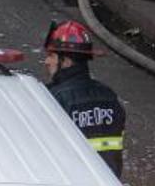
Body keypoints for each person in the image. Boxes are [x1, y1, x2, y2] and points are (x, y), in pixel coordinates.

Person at [44, 20, 126, 177]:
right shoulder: (110, 97)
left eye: (51, 56)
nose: (47, 61)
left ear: (66, 61)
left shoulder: (52, 99)